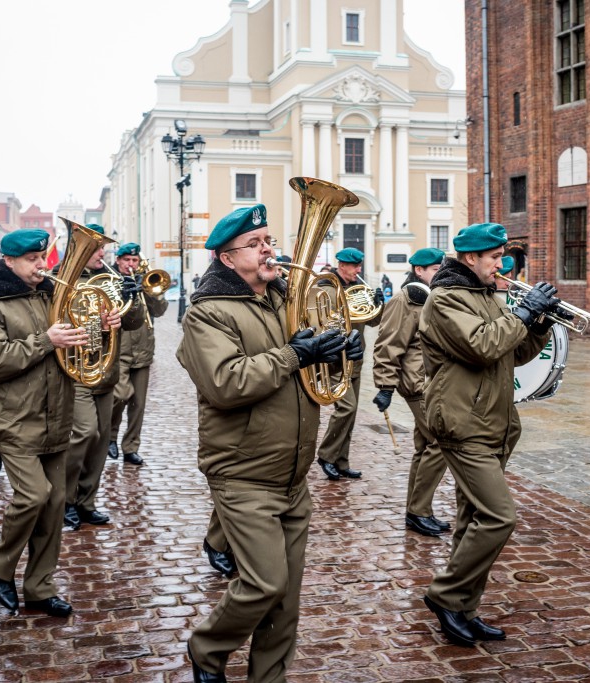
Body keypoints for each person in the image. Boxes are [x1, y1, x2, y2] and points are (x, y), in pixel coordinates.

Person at [178, 204, 361, 682]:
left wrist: (343, 353)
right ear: (226, 259)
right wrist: (295, 353)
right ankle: (207, 647)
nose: (268, 249)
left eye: (268, 240)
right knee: (263, 584)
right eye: (254, 244)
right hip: (242, 471)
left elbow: (318, 372)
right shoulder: (208, 314)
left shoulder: (288, 300)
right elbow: (225, 383)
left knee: (287, 599)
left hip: (293, 473)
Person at [417, 223, 560, 647]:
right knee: (499, 516)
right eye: (495, 257)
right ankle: (445, 596)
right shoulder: (445, 300)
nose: (502, 264)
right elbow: (482, 345)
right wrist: (521, 313)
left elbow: (512, 353)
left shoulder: (486, 296)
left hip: (491, 421)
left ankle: (464, 607)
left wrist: (537, 323)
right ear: (469, 259)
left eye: (502, 257)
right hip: (463, 423)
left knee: (473, 519)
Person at [0, 228, 93, 616]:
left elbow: (74, 344)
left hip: (56, 414)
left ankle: (40, 586)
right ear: (10, 261)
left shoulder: (52, 294)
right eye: (33, 260)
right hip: (12, 418)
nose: (42, 265)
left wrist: (100, 327)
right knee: (33, 495)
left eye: (43, 257)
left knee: (54, 503)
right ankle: (1, 565)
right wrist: (46, 340)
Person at [61, 224, 136, 531]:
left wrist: (130, 304)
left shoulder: (113, 280)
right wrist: (95, 323)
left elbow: (131, 323)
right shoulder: (62, 281)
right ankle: (65, 499)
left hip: (105, 370)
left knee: (101, 438)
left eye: (102, 249)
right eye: (95, 248)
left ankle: (86, 501)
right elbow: (56, 321)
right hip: (75, 371)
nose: (102, 253)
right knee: (84, 433)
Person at [372, 247, 449, 537]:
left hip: (430, 382)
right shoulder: (406, 300)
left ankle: (417, 510)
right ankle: (419, 511)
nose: (439, 273)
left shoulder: (431, 297)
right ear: (419, 270)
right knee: (440, 443)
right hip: (417, 385)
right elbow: (387, 345)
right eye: (434, 269)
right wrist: (384, 386)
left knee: (424, 447)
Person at [315, 247, 384, 480]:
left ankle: (341, 460)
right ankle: (326, 455)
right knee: (346, 408)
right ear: (341, 265)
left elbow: (372, 322)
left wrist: (378, 304)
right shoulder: (328, 289)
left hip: (355, 359)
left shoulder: (358, 290)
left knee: (351, 414)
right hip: (336, 360)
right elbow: (323, 324)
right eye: (354, 266)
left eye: (359, 266)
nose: (358, 270)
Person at [109, 242, 167, 466]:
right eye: (127, 260)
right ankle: (111, 437)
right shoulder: (110, 281)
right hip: (118, 350)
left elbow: (160, 311)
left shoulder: (145, 281)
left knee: (138, 404)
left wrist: (149, 292)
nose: (131, 264)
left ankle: (130, 447)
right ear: (119, 261)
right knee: (120, 395)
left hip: (143, 350)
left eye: (134, 261)